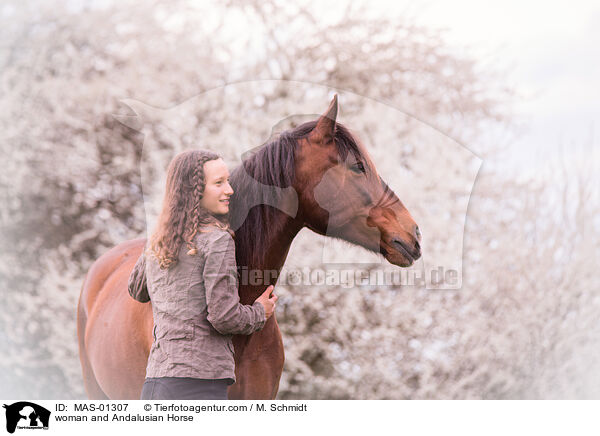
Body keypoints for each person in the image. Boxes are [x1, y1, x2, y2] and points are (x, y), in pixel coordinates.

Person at [127, 149, 277, 400]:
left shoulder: (159, 241)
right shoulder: (217, 241)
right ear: (194, 192)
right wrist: (260, 311)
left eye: (227, 181)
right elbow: (224, 317)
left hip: (156, 382)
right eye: (218, 183)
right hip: (199, 384)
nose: (229, 190)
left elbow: (137, 289)